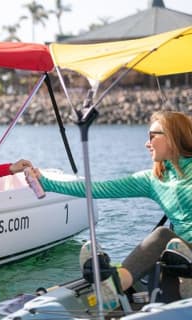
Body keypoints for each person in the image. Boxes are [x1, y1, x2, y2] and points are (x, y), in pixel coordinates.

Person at [25, 110, 192, 309]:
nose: (147, 144)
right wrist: (47, 183)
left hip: (183, 256)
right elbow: (98, 189)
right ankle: (113, 288)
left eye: (152, 136)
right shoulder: (153, 179)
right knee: (162, 236)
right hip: (180, 255)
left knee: (170, 243)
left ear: (173, 137)